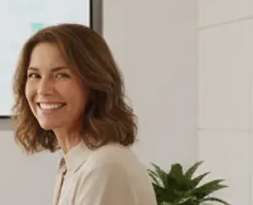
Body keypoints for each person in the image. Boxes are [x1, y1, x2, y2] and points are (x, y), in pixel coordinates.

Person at [13, 23, 157, 205]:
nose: (43, 89)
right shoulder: (73, 165)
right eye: (34, 75)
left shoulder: (105, 167)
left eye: (61, 75)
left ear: (94, 83)